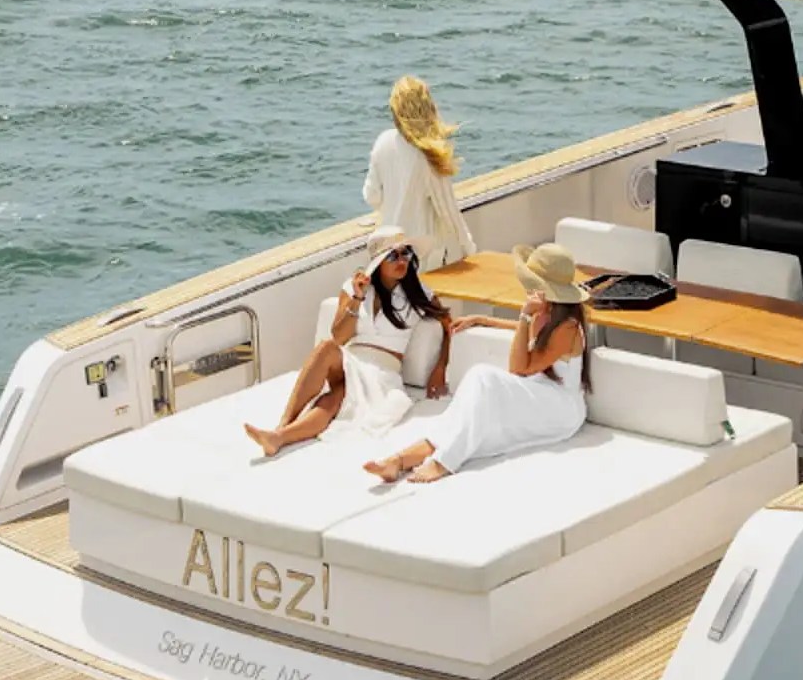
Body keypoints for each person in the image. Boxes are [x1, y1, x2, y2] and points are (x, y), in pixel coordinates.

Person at [364, 243, 591, 484]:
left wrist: (525, 315)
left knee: (483, 378)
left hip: (559, 408)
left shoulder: (567, 326)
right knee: (461, 417)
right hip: (538, 395)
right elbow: (529, 333)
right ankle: (399, 461)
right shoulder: (547, 315)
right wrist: (482, 319)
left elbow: (519, 369)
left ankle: (444, 462)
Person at [243, 226, 450, 457]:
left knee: (333, 401)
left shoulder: (419, 292)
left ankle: (279, 438)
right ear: (379, 262)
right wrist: (357, 298)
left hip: (382, 372)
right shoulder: (354, 289)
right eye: (392, 255)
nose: (401, 260)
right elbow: (340, 337)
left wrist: (440, 367)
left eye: (406, 253)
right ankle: (283, 424)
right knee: (325, 348)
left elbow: (448, 325)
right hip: (350, 359)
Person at [363, 76, 476, 268]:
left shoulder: (383, 141)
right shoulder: (429, 155)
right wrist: (469, 250)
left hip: (388, 253)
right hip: (423, 256)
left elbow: (371, 196)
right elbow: (449, 212)